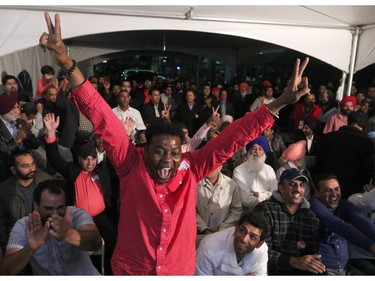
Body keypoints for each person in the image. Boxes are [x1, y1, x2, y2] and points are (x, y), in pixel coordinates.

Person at [39, 12, 310, 275]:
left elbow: (233, 138)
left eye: (174, 152)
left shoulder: (192, 168)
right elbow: (103, 117)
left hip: (177, 271)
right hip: (132, 271)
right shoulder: (130, 162)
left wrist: (280, 102)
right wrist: (67, 63)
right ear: (144, 151)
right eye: (159, 151)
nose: (167, 159)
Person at [0, 180, 102, 275]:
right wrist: (30, 249)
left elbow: (96, 243)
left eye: (60, 207)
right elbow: (5, 271)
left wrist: (68, 234)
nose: (55, 214)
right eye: (48, 208)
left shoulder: (76, 215)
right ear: (36, 206)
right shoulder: (24, 226)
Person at [253, 168, 326, 275]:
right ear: (281, 188)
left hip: (299, 270)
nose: (298, 189)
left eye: (301, 185)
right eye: (292, 184)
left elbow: (313, 252)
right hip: (269, 271)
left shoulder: (310, 216)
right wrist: (293, 261)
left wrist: (313, 263)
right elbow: (258, 251)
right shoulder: (265, 210)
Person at [310, 173, 375, 275]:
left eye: (337, 189)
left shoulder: (344, 205)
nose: (334, 193)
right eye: (328, 190)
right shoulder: (314, 206)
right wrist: (370, 246)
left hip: (345, 267)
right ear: (317, 193)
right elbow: (338, 225)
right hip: (324, 269)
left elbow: (362, 222)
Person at [0, 149, 51, 253]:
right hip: (18, 244)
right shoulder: (4, 190)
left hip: (45, 241)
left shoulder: (46, 181)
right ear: (14, 170)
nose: (31, 169)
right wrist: (8, 247)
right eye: (25, 166)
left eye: (32, 164)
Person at [316, 110, 374, 198]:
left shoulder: (329, 137)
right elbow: (367, 170)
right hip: (352, 190)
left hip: (327, 186)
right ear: (362, 125)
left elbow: (319, 162)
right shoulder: (366, 142)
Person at [195, 211, 270, 276]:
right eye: (242, 231)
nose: (244, 239)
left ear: (259, 244)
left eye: (252, 237)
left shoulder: (261, 251)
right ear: (236, 228)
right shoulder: (209, 247)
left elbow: (260, 275)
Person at [232, 136, 278, 211]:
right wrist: (267, 195)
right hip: (246, 214)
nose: (257, 152)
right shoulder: (239, 171)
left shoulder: (269, 170)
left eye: (260, 149)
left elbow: (275, 194)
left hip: (268, 213)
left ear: (264, 153)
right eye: (253, 148)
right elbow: (245, 200)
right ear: (248, 151)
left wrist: (259, 195)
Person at [196, 164, 242, 234]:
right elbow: (191, 210)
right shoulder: (195, 184)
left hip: (224, 232)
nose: (208, 168)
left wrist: (222, 228)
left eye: (212, 165)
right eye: (206, 165)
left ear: (220, 167)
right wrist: (203, 228)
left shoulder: (231, 185)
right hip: (200, 232)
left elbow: (236, 211)